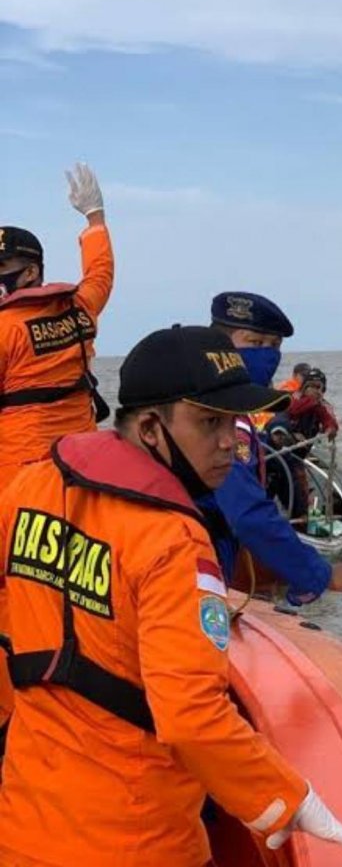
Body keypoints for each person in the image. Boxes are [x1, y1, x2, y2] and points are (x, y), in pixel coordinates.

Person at [0, 325, 342, 867]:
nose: (230, 440)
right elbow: (190, 716)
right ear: (152, 429)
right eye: (209, 422)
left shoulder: (32, 486)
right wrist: (291, 800)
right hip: (137, 841)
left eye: (232, 420)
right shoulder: (173, 542)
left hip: (24, 824)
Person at [0, 163, 114, 738]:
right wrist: (94, 217)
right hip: (76, 477)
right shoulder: (79, 311)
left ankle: (12, 716)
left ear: (31, 272)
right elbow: (100, 273)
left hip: (15, 485)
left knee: (11, 593)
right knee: (75, 583)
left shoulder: (4, 332)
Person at [206, 292, 342, 604]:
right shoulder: (217, 422)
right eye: (255, 343)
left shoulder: (220, 407)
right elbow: (248, 512)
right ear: (220, 344)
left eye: (275, 346)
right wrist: (320, 574)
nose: (267, 354)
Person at [266, 367, 339, 522]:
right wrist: (311, 402)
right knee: (271, 480)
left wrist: (330, 428)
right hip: (278, 451)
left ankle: (300, 520)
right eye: (311, 386)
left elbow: (330, 421)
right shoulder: (292, 398)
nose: (315, 390)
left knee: (298, 490)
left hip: (298, 456)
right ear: (304, 387)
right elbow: (289, 411)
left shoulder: (323, 406)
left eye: (319, 387)